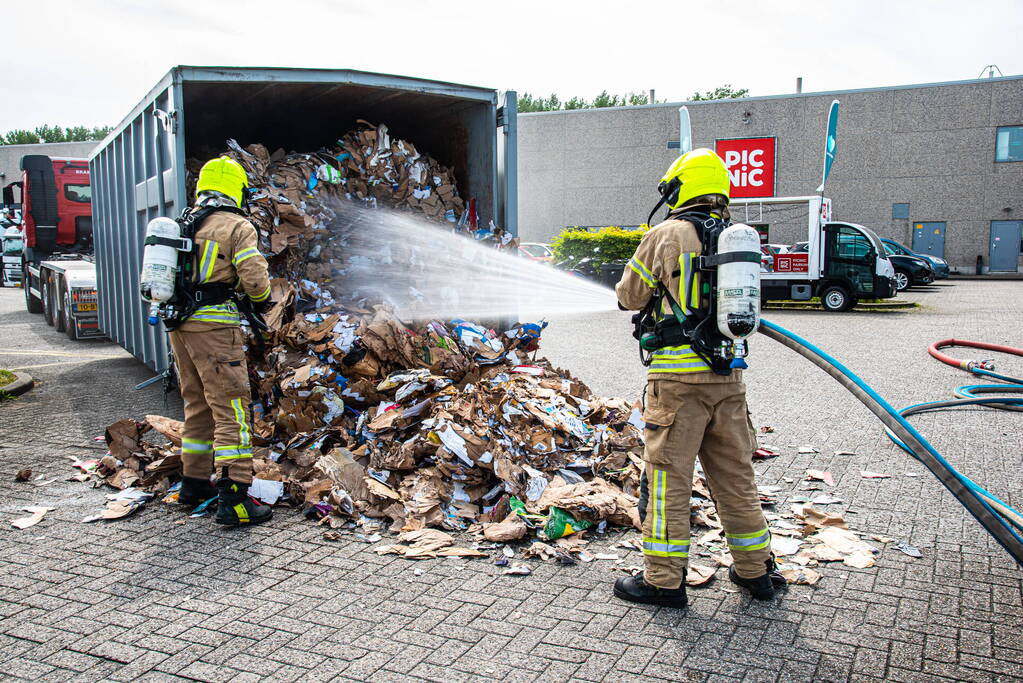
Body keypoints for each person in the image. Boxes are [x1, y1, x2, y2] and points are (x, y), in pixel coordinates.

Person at [612, 148, 781, 607]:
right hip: (728, 380)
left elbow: (630, 296)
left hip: (677, 384)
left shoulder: (666, 233)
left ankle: (663, 582)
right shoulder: (735, 239)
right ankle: (756, 572)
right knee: (736, 478)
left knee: (668, 481)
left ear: (679, 188)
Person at [169, 156, 273, 526]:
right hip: (214, 330)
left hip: (180, 328)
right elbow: (255, 280)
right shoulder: (236, 225)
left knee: (197, 405)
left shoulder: (184, 222)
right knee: (233, 410)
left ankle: (194, 484)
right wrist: (262, 301)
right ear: (236, 189)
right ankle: (235, 499)